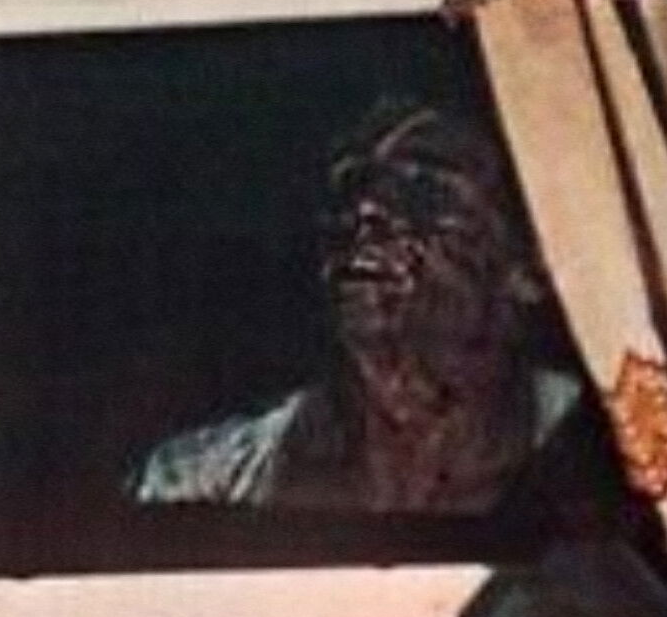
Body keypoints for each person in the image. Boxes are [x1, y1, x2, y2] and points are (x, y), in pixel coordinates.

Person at [129, 100, 582, 514]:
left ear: (530, 267)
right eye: (349, 192)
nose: (364, 216)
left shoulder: (604, 448)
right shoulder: (198, 483)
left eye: (422, 196)